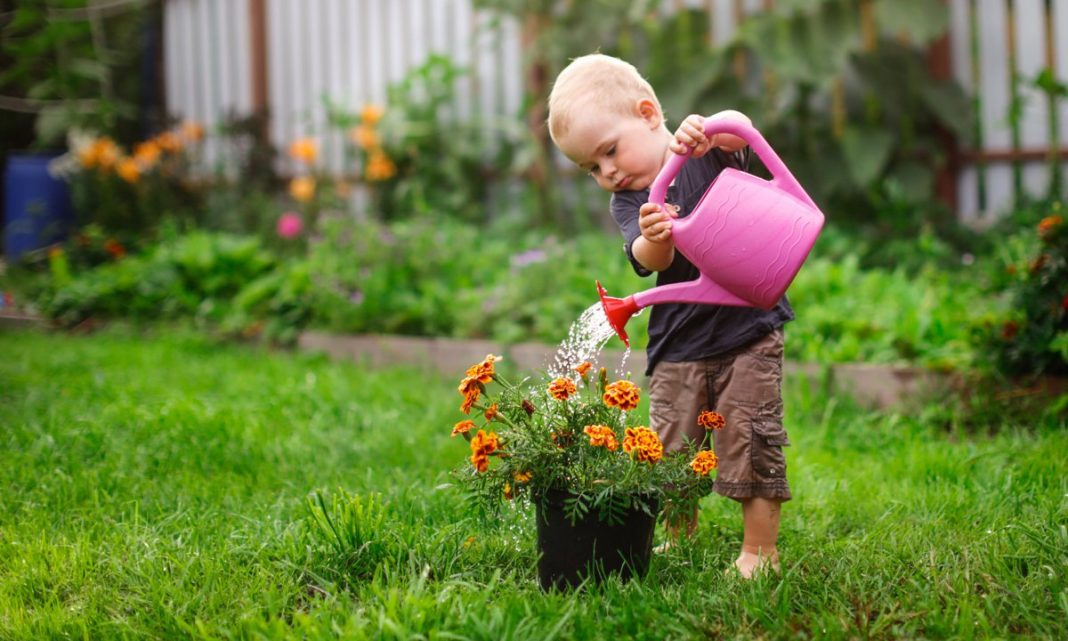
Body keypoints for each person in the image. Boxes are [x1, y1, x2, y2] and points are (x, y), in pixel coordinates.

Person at [547, 53, 794, 578]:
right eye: (591, 167)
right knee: (671, 448)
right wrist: (653, 236)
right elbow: (644, 258)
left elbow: (742, 132)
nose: (606, 171)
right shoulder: (632, 200)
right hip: (678, 340)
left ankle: (759, 552)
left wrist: (711, 130)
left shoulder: (703, 150)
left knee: (752, 437)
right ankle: (681, 537)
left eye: (609, 151)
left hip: (746, 328)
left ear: (647, 113)